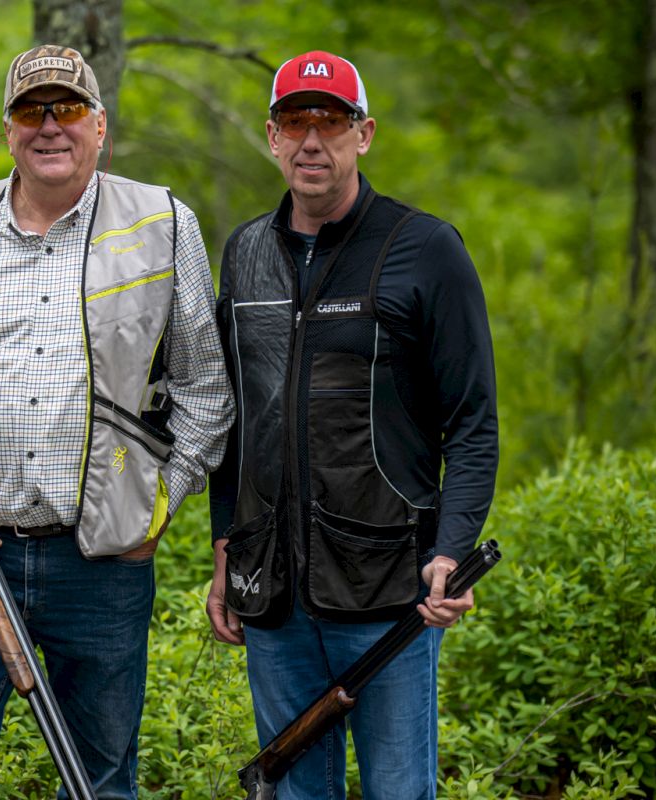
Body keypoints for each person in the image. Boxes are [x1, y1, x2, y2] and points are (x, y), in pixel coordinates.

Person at [0, 45, 233, 799]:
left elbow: (206, 390)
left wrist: (156, 508)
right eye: (31, 111)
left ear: (100, 126)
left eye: (68, 109)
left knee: (100, 785)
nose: (50, 127)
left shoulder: (163, 223)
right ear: (8, 130)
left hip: (102, 563)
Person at [207, 50, 498, 799]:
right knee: (297, 791)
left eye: (330, 122)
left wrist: (451, 549)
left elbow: (473, 422)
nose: (312, 141)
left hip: (388, 591)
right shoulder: (243, 255)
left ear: (363, 134)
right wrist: (224, 555)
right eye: (294, 121)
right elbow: (232, 424)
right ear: (271, 137)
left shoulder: (425, 249)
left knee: (399, 790)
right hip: (272, 596)